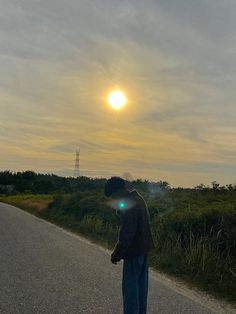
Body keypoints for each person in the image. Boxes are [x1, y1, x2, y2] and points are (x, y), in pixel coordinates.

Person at [104, 177, 156, 314]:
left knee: (131, 291)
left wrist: (117, 254)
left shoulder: (129, 203)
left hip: (133, 252)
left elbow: (127, 233)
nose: (113, 199)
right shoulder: (138, 198)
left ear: (119, 191)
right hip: (143, 251)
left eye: (113, 196)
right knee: (140, 289)